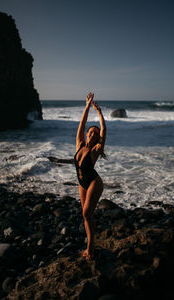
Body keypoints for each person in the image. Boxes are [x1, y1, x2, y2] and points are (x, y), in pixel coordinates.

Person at [74, 92, 106, 260]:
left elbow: (104, 130)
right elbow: (82, 123)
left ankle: (90, 249)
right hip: (82, 183)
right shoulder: (79, 143)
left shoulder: (95, 151)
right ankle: (91, 243)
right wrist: (87, 106)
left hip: (94, 181)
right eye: (91, 132)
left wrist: (99, 113)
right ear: (87, 134)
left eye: (96, 133)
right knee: (86, 215)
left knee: (87, 213)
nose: (93, 134)